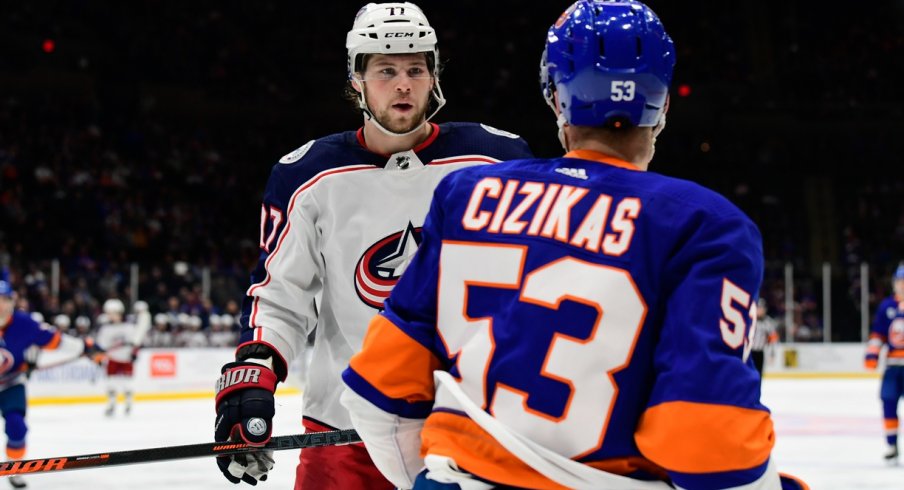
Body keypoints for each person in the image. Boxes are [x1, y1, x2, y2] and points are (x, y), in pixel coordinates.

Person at [340, 1, 807, 488]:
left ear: (555, 98)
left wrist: (446, 474)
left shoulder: (467, 194)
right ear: (663, 103)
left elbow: (379, 388)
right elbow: (705, 438)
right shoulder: (705, 224)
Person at [211, 2, 533, 488]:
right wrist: (253, 372)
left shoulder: (497, 160)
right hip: (345, 428)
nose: (403, 83)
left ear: (434, 76)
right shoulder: (307, 175)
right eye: (385, 70)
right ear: (357, 80)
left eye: (415, 69)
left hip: (465, 423)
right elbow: (281, 295)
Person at [0, 268, 100, 488]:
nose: (1, 305)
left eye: (5, 299)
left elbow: (56, 340)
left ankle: (14, 468)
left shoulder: (24, 324)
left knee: (17, 427)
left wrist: (85, 346)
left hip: (10, 384)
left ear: (12, 301)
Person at [865, 264, 904, 463]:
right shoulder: (887, 306)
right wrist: (872, 354)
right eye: (900, 281)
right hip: (893, 366)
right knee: (888, 402)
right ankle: (891, 444)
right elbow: (878, 333)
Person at [95, 298, 151, 417]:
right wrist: (99, 358)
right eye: (109, 314)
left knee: (127, 384)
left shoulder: (129, 327)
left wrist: (134, 352)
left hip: (126, 358)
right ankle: (111, 404)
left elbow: (137, 341)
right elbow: (101, 346)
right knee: (110, 384)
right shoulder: (106, 329)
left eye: (113, 313)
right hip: (112, 358)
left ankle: (128, 404)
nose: (111, 316)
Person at [752, 297, 780, 383]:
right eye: (758, 308)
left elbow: (773, 340)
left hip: (760, 352)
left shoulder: (769, 322)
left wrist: (772, 354)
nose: (760, 310)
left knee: (759, 375)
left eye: (761, 308)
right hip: (749, 353)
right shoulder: (750, 319)